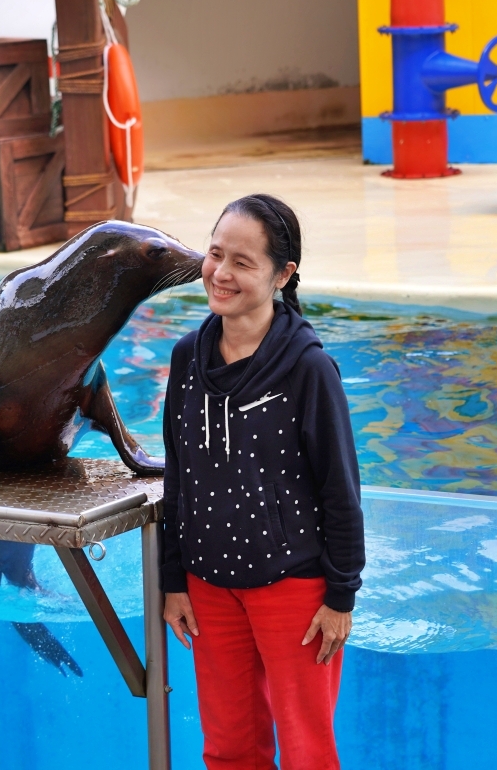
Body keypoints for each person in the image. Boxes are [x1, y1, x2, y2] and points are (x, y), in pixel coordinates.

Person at [158, 194, 365, 769]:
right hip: (208, 588)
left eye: (243, 263)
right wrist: (173, 578)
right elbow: (178, 476)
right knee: (228, 749)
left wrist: (340, 595)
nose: (220, 274)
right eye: (215, 254)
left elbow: (340, 489)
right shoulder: (185, 359)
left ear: (282, 275)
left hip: (294, 593)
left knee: (307, 751)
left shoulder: (309, 369)